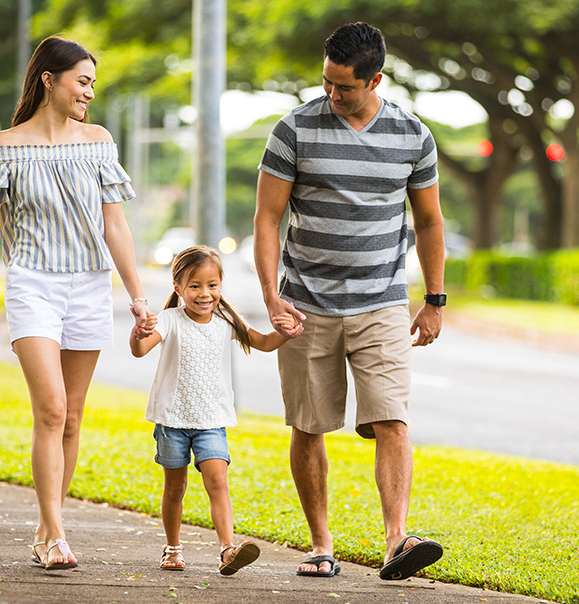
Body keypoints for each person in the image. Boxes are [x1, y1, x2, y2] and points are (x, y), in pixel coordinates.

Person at [254, 22, 446, 580]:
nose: (331, 95)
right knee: (309, 426)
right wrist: (270, 294)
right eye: (326, 83)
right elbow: (268, 218)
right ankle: (320, 544)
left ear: (375, 79)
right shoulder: (294, 129)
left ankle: (396, 542)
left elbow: (430, 221)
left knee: (391, 417)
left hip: (382, 300)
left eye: (344, 87)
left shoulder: (413, 135)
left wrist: (434, 299)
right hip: (305, 303)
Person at [0, 36, 152, 571]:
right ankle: (58, 534)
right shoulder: (4, 146)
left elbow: (116, 226)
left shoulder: (98, 142)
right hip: (32, 285)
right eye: (82, 81)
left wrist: (137, 298)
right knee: (51, 408)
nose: (89, 91)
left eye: (92, 82)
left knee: (72, 418)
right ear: (50, 79)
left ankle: (47, 529)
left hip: (89, 286)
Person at [129, 245, 302, 575]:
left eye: (212, 285)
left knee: (218, 481)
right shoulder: (168, 320)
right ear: (178, 287)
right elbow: (139, 351)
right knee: (175, 489)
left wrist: (285, 333)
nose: (204, 294)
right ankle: (172, 548)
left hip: (211, 421)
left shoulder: (226, 320)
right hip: (173, 420)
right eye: (195, 286)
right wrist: (138, 333)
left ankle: (227, 549)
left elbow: (263, 342)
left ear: (221, 285)